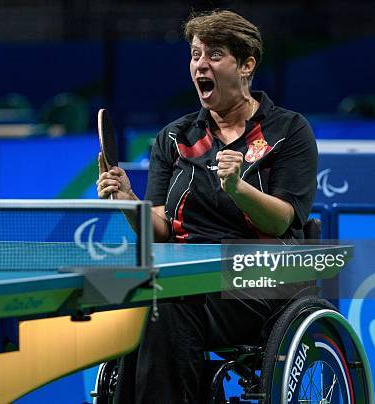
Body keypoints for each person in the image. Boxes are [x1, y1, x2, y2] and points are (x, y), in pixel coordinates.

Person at [96, 9, 317, 403]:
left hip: (261, 274)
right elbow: (161, 224)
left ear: (246, 65)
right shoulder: (176, 137)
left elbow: (284, 219)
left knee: (168, 300)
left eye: (214, 55)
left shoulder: (289, 130)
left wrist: (236, 187)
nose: (201, 64)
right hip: (189, 274)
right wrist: (127, 202)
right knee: (140, 297)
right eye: (196, 55)